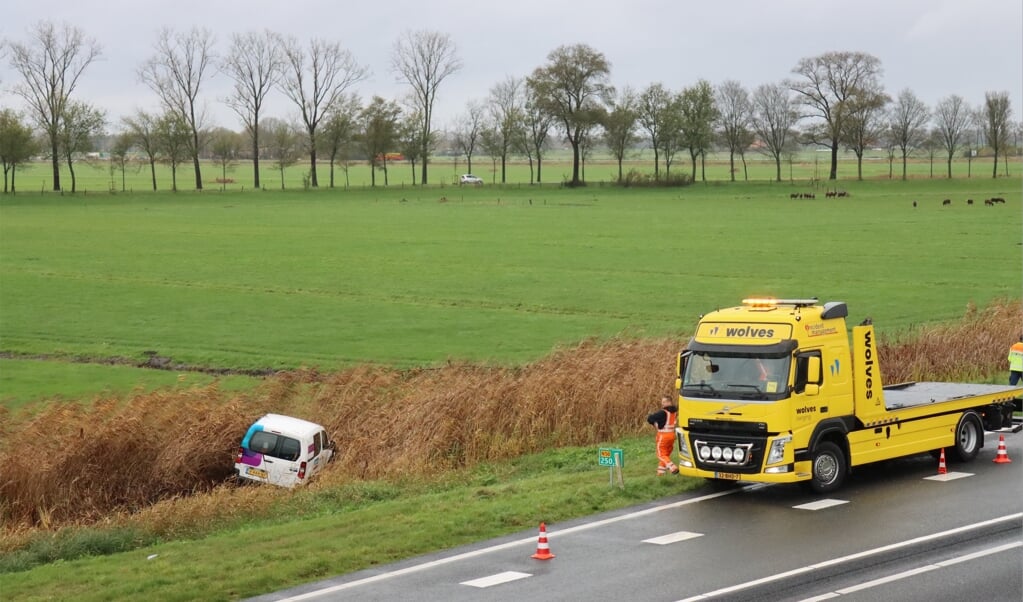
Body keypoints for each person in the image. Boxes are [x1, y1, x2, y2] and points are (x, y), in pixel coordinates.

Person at [646, 394, 678, 476]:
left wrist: (655, 423)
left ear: (669, 402)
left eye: (664, 402)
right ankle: (660, 473)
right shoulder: (674, 412)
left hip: (663, 436)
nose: (662, 404)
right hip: (672, 435)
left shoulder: (663, 412)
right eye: (662, 402)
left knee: (661, 455)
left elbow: (650, 418)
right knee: (666, 455)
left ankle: (672, 467)